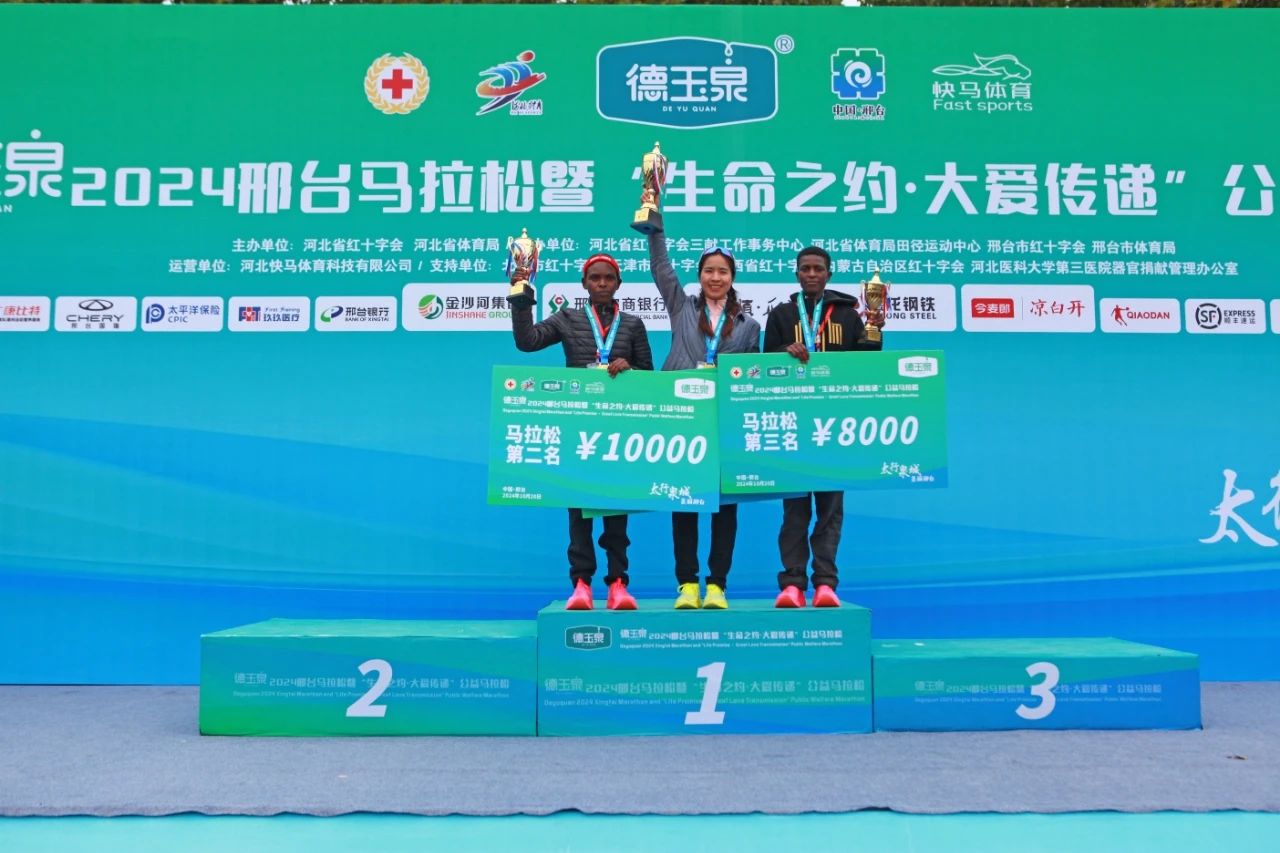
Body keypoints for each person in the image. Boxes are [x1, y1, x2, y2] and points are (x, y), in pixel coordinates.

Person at [510, 253, 654, 611]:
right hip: (579, 430)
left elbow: (650, 378)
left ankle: (618, 584)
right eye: (595, 278)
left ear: (619, 284)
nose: (602, 283)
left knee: (616, 512)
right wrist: (521, 297)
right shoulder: (567, 319)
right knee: (578, 514)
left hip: (618, 432)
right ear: (584, 284)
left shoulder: (633, 324)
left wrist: (631, 367)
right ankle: (581, 585)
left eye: (608, 278)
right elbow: (527, 341)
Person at [762, 246, 882, 609]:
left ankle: (826, 584)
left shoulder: (849, 315)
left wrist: (875, 330)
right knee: (794, 513)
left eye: (818, 268)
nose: (811, 274)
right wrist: (786, 350)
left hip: (834, 430)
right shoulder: (781, 314)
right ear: (797, 273)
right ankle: (793, 584)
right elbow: (763, 365)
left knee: (830, 513)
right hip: (794, 428)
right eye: (805, 269)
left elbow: (866, 365)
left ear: (829, 273)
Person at [649, 231, 761, 610]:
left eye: (723, 272)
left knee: (724, 507)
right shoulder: (682, 308)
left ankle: (717, 585)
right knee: (684, 502)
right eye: (709, 271)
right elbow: (661, 268)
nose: (715, 278)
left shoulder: (749, 326)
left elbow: (750, 380)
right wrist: (655, 227)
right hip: (683, 420)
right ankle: (686, 584)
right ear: (699, 275)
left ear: (732, 277)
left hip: (722, 424)